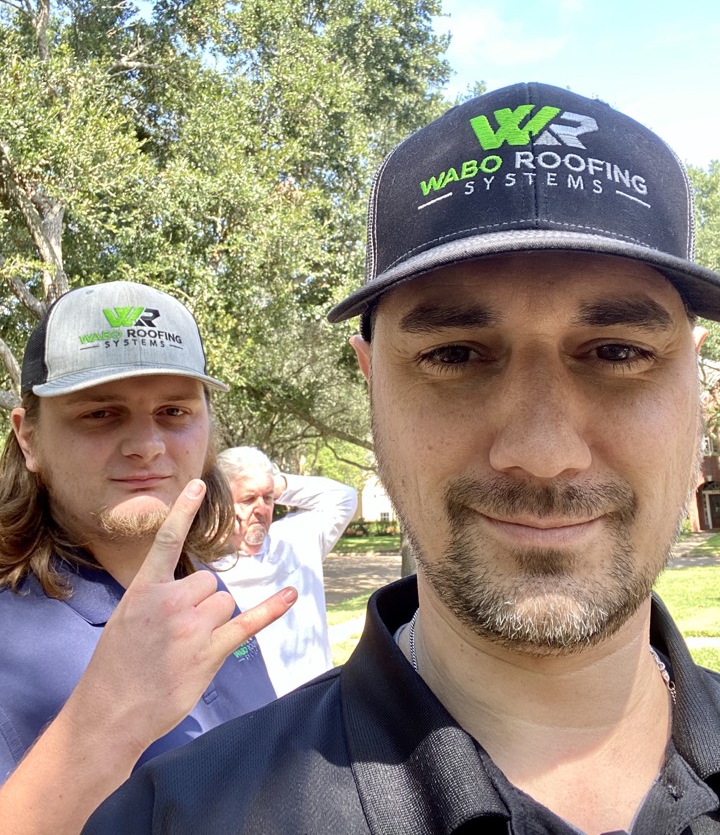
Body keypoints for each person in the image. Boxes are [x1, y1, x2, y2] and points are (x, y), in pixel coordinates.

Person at [83, 83, 720, 835]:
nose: (544, 454)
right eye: (454, 354)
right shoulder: (178, 818)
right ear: (371, 382)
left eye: (617, 352)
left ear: (695, 378)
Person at [0, 280, 297, 835]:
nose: (147, 445)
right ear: (29, 439)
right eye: (100, 413)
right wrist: (108, 721)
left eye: (174, 411)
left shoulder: (200, 584)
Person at [214, 446, 357, 695]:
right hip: (260, 709)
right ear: (222, 504)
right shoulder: (207, 567)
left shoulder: (297, 538)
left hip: (319, 699)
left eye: (267, 498)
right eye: (248, 499)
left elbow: (344, 498)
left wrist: (276, 484)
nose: (261, 509)